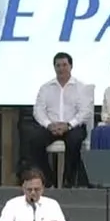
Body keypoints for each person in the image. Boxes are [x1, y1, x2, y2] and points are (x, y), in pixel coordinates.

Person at [20, 52, 92, 187]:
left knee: (74, 141)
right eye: (58, 65)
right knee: (34, 141)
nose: (61, 68)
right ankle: (48, 179)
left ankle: (68, 181)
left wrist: (68, 125)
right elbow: (38, 110)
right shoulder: (46, 88)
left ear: (71, 66)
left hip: (73, 127)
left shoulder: (81, 88)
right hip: (51, 127)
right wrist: (49, 125)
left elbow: (85, 112)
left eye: (64, 65)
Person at [0, 168, 67, 221]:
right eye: (29, 189)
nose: (33, 193)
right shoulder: (13, 204)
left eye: (36, 189)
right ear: (23, 188)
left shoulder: (52, 204)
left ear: (42, 188)